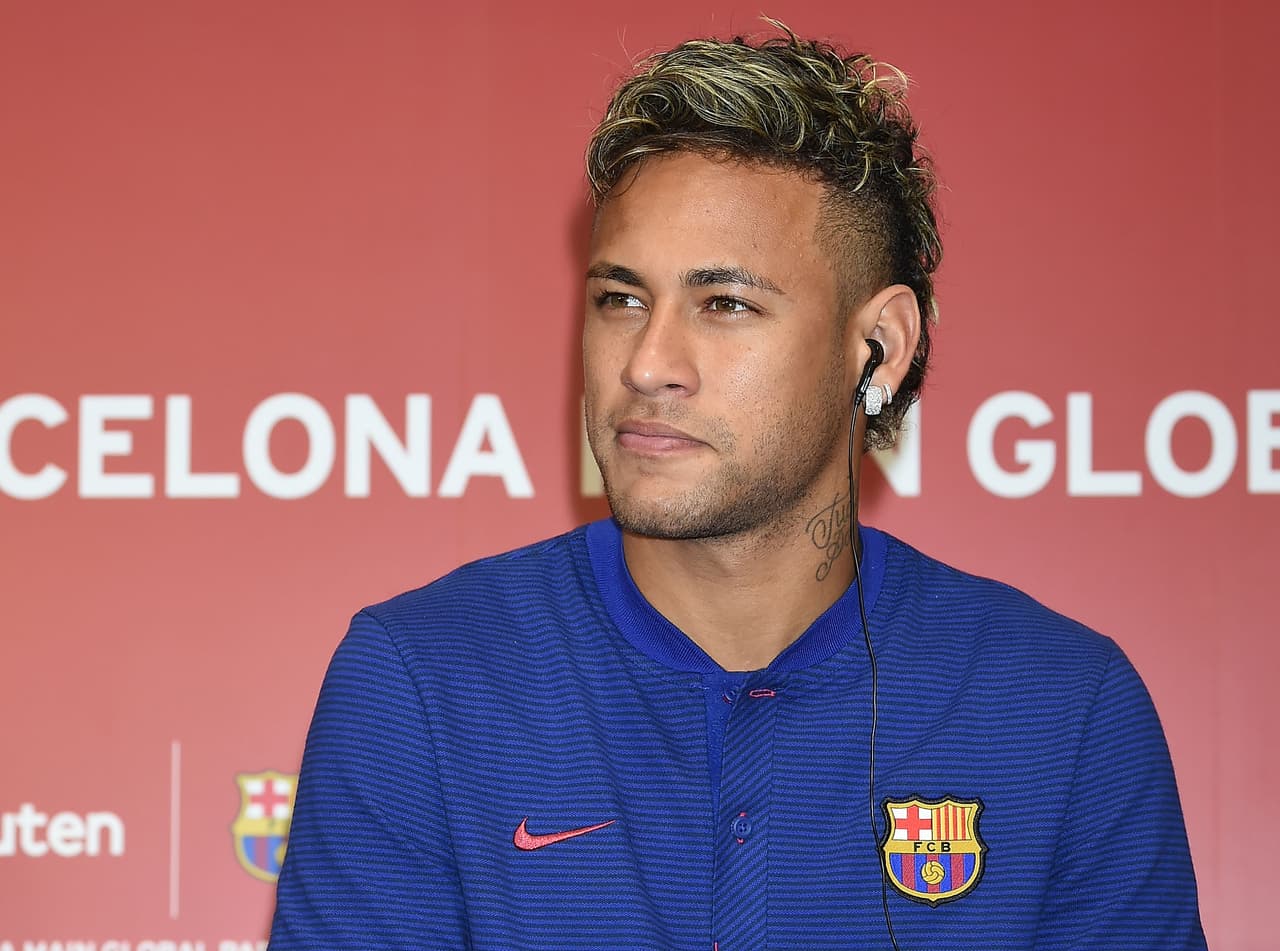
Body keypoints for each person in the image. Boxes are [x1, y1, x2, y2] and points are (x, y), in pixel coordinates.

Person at [268, 24, 1205, 950]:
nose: (648, 363)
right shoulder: (422, 679)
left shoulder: (1063, 706)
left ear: (878, 344)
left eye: (725, 305)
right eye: (619, 299)